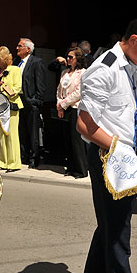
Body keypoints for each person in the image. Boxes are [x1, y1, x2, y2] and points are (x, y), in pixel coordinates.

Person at [74, 12, 137, 273]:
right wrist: (120, 151)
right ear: (134, 39)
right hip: (109, 157)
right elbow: (85, 125)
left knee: (111, 227)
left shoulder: (129, 65)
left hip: (124, 156)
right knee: (118, 234)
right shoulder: (105, 68)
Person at [56, 47, 89, 178]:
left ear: (78, 59)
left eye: (71, 57)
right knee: (67, 139)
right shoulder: (64, 72)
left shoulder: (83, 73)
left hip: (75, 107)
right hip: (64, 108)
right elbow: (59, 89)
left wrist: (63, 103)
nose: (68, 59)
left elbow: (79, 92)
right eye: (67, 57)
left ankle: (80, 169)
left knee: (76, 140)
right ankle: (70, 167)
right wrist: (59, 104)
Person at [15, 38, 45, 168]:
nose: (17, 48)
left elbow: (40, 83)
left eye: (20, 46)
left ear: (28, 49)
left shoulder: (36, 62)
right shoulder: (17, 63)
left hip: (31, 102)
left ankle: (34, 159)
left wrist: (36, 101)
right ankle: (23, 156)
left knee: (33, 133)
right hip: (19, 101)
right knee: (21, 130)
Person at [0, 46, 23, 171]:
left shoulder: (14, 70)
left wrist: (3, 86)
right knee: (2, 134)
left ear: (2, 58)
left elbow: (17, 89)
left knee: (11, 134)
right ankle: (3, 162)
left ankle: (14, 163)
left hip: (12, 106)